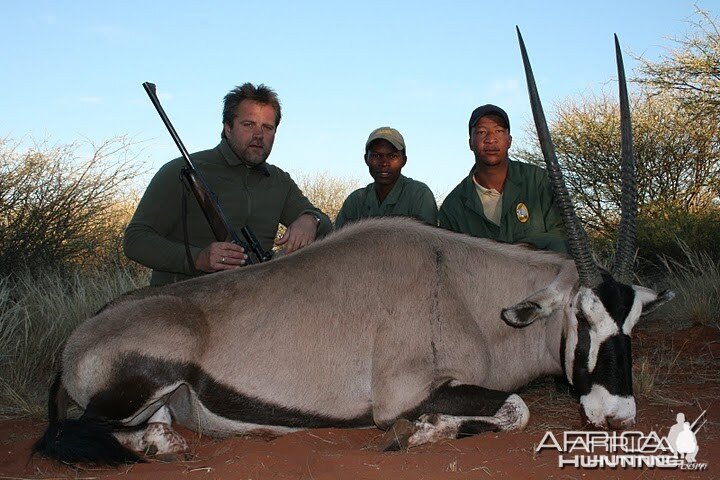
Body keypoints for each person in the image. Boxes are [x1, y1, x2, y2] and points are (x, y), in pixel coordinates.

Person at [124, 83, 332, 286]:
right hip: (183, 304)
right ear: (227, 127)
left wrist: (309, 219)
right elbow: (136, 240)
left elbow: (325, 225)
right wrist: (198, 259)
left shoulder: (278, 180)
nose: (259, 135)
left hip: (253, 301)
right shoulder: (181, 171)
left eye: (267, 127)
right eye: (248, 124)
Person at [438, 104, 567, 252]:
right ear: (470, 143)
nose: (491, 139)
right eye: (481, 132)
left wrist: (530, 246)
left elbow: (566, 233)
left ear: (509, 140)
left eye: (499, 131)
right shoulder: (452, 207)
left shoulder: (538, 180)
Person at [334, 127, 437, 229]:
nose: (384, 163)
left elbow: (426, 242)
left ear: (404, 160)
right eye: (376, 156)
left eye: (392, 156)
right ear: (366, 159)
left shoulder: (419, 195)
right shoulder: (355, 201)